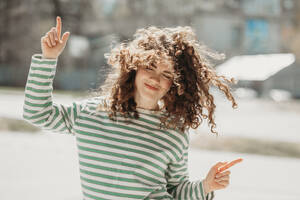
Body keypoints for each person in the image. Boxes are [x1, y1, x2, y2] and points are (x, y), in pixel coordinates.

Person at [23, 16, 238, 200]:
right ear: (133, 68)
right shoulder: (89, 113)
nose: (155, 78)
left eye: (166, 75)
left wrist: (206, 186)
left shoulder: (174, 132)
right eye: (150, 67)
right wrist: (48, 59)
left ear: (174, 85)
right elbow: (37, 112)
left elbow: (176, 190)